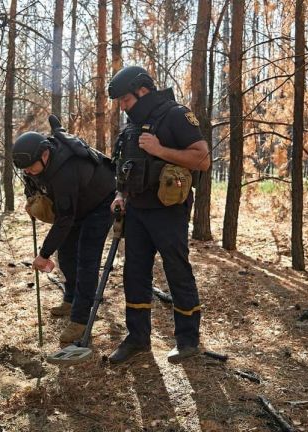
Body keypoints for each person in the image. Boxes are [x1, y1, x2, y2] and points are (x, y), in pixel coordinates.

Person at [107, 66, 211, 364]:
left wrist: (161, 149)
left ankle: (187, 340)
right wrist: (119, 195)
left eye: (126, 100)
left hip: (169, 211)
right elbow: (124, 169)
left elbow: (202, 158)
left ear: (143, 90)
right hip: (137, 211)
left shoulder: (176, 115)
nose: (123, 107)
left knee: (176, 270)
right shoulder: (130, 127)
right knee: (134, 274)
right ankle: (138, 338)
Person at [13, 120, 116, 344]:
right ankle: (71, 299)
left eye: (31, 166)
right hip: (76, 205)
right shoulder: (33, 163)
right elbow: (33, 185)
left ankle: (80, 320)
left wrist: (43, 254)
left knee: (86, 259)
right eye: (25, 169)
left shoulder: (66, 170)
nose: (28, 171)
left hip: (100, 202)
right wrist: (32, 202)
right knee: (67, 254)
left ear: (45, 155)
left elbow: (64, 220)